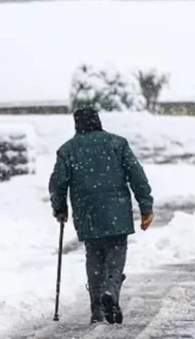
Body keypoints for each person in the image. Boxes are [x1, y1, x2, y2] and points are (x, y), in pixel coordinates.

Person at [49, 107, 154, 325]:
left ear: (77, 124)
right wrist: (146, 206)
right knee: (116, 252)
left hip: (87, 212)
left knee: (94, 254)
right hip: (117, 211)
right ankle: (111, 291)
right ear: (98, 121)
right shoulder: (117, 144)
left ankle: (97, 308)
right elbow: (137, 176)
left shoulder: (68, 150)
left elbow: (57, 183)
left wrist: (60, 208)